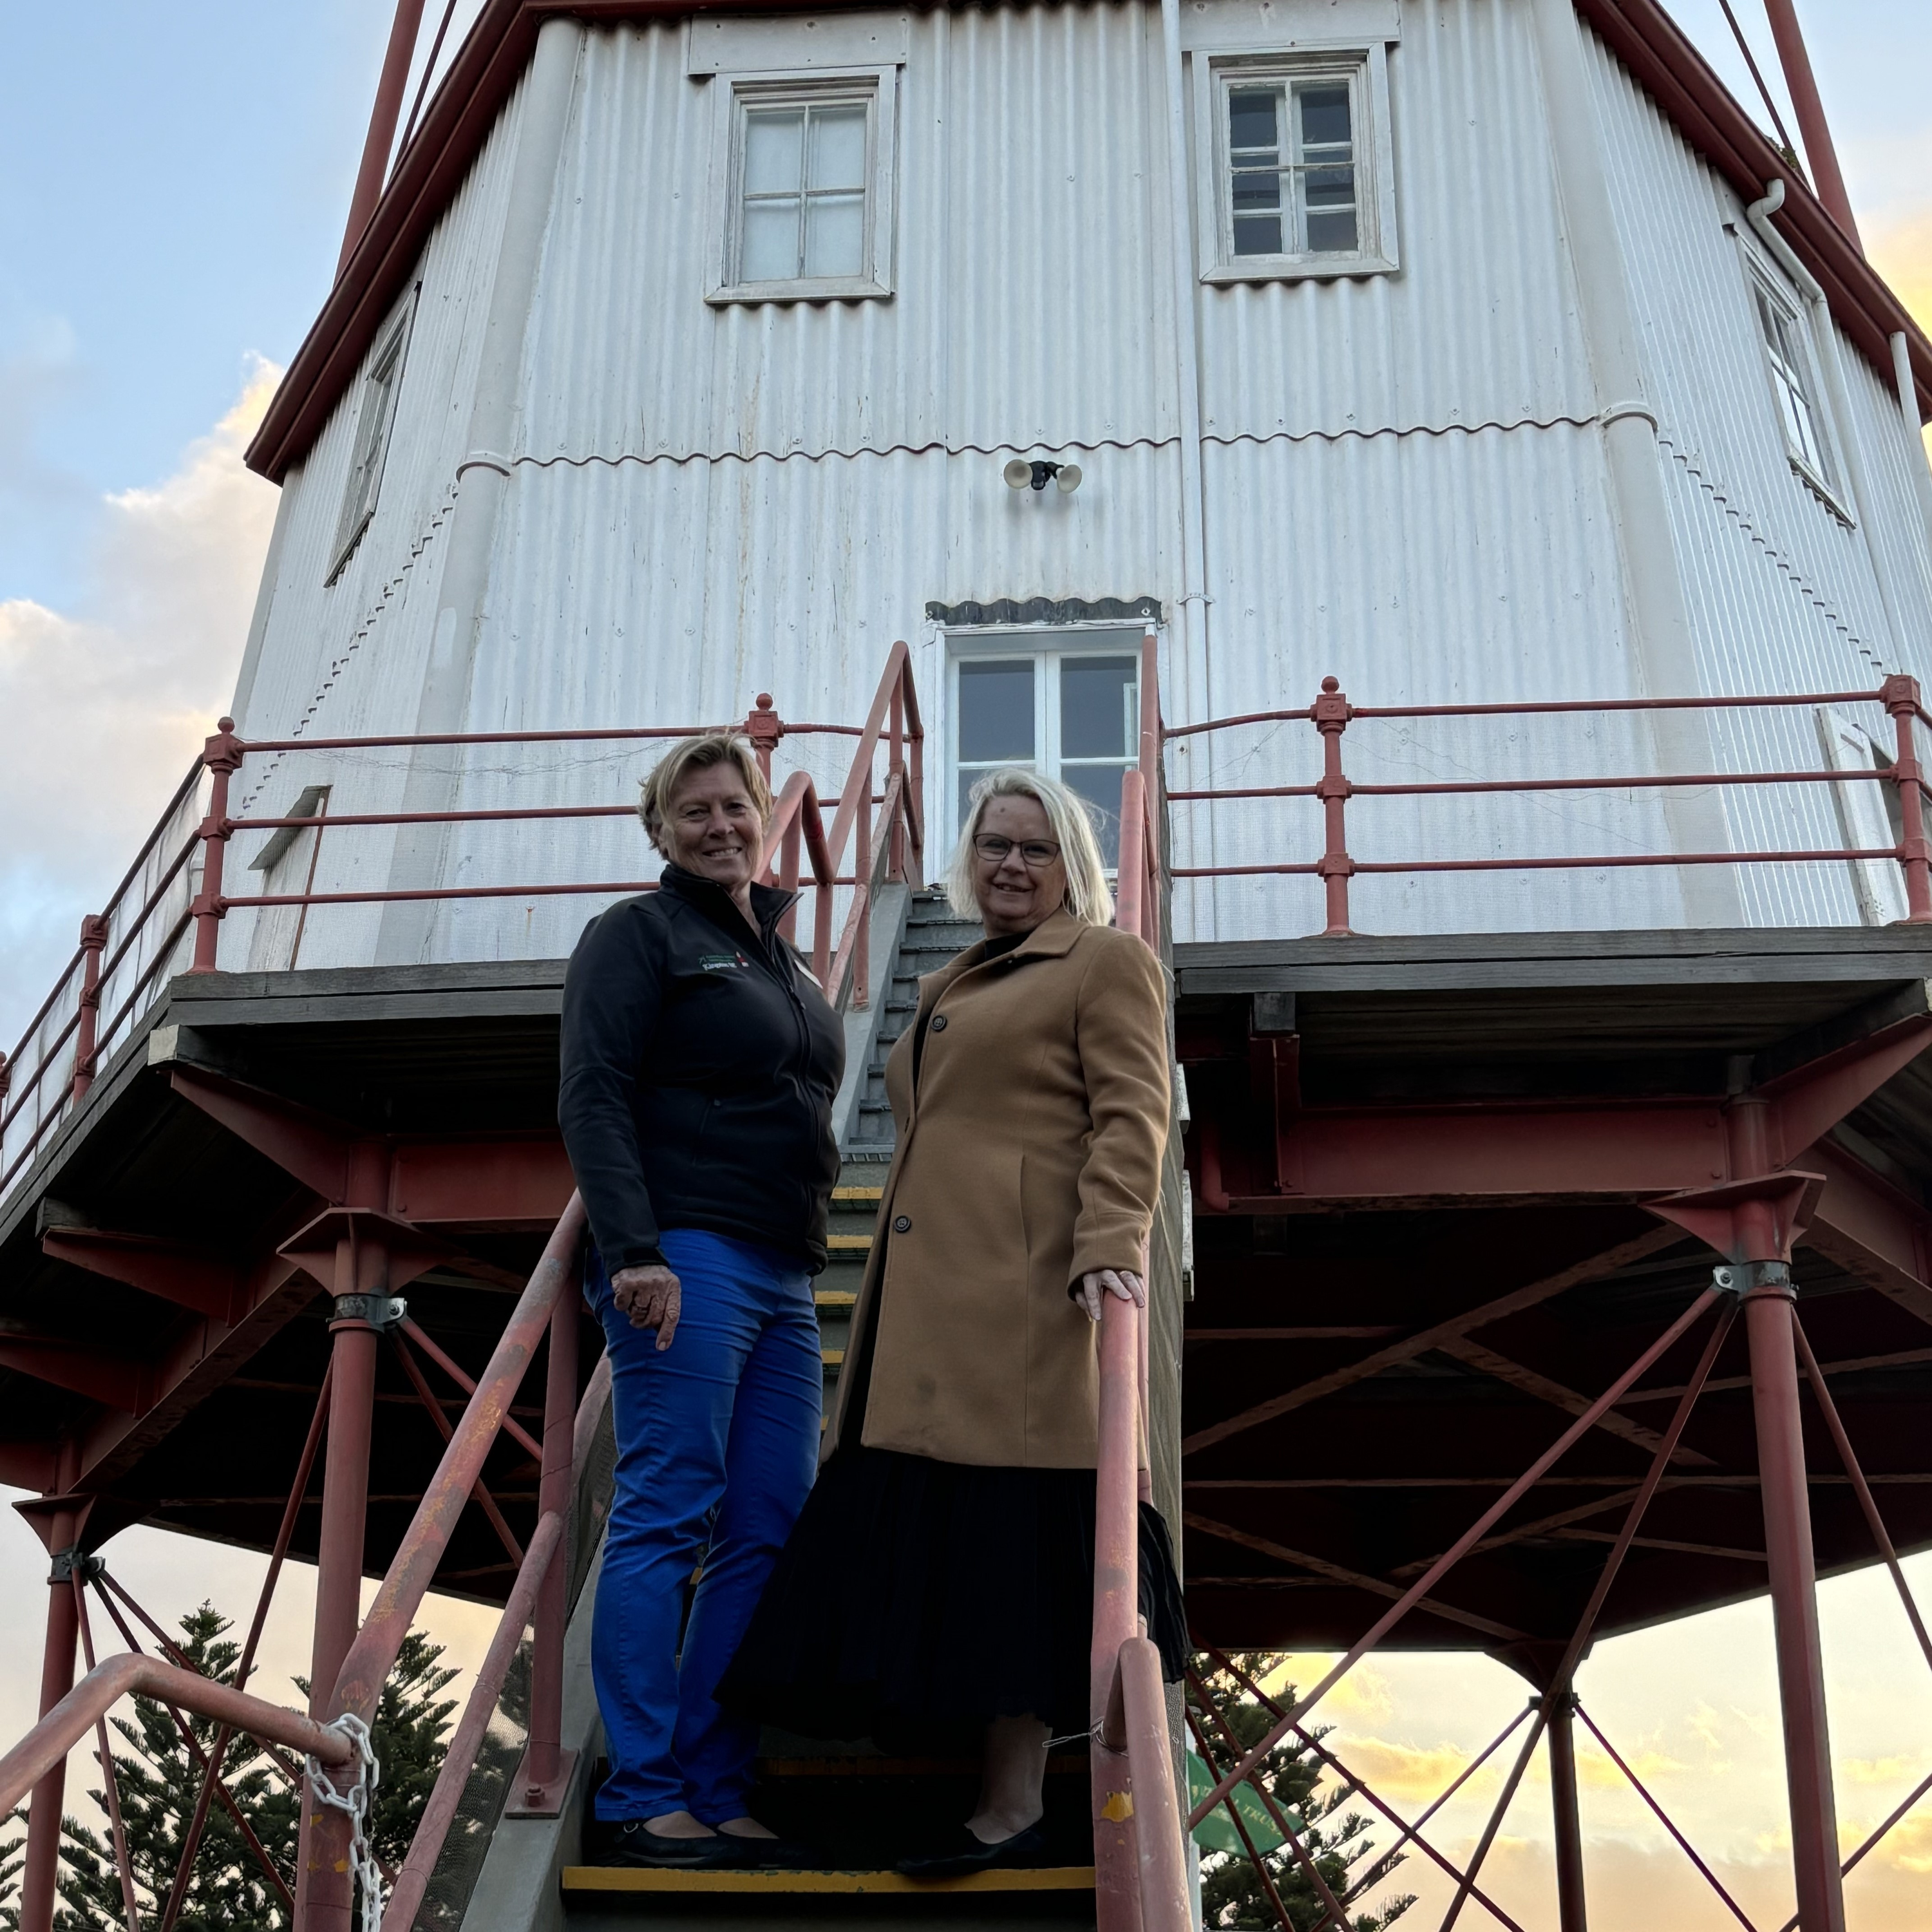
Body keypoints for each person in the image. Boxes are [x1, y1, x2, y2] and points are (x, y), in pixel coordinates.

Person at [720, 766, 1188, 1877]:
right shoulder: (946, 980)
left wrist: (1108, 1246)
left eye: (1035, 848)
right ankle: (955, 1789)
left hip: (1024, 1299)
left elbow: (1135, 1112)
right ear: (967, 863)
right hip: (927, 1304)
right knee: (940, 1538)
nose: (1012, 865)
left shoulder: (1107, 962)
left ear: (1074, 862)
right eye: (995, 847)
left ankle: (1014, 1806)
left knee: (1012, 1549)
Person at [558, 733, 844, 1869]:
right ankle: (642, 1791)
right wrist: (634, 1248)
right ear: (661, 830)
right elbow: (593, 1092)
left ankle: (718, 1784)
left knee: (768, 1523)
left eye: (736, 806)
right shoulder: (637, 935)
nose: (720, 825)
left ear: (764, 813)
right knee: (670, 1505)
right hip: (684, 1252)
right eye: (695, 812)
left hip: (782, 1267)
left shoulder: (782, 957)